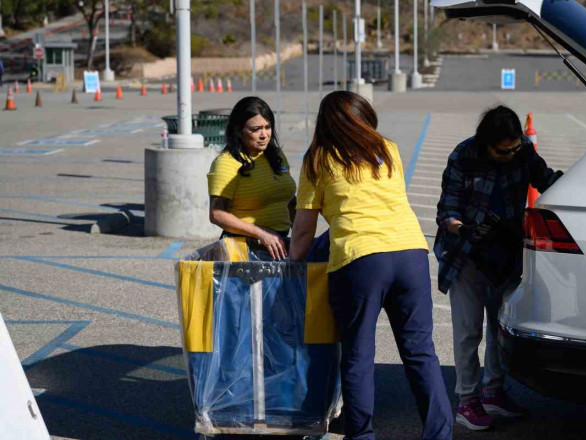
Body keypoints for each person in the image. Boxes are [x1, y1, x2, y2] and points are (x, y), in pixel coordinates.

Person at [288, 91, 453, 440]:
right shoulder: (386, 148)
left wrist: (290, 267)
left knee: (359, 353)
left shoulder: (318, 158)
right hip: (411, 252)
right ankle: (440, 434)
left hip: (360, 259)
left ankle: (362, 435)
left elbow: (303, 230)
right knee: (421, 352)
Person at [434, 105, 563, 431]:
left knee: (500, 329)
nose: (510, 155)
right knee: (468, 332)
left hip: (506, 254)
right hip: (468, 256)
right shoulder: (464, 155)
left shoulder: (524, 152)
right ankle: (467, 401)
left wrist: (581, 185)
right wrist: (463, 229)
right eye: (502, 151)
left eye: (514, 148)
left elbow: (549, 181)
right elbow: (446, 210)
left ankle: (494, 393)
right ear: (487, 143)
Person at [207, 97, 295, 260]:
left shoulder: (276, 155)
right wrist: (261, 233)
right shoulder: (226, 163)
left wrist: (300, 235)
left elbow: (288, 199)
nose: (264, 135)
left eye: (268, 127)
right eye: (255, 129)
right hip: (242, 249)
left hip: (278, 245)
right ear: (239, 131)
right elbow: (217, 214)